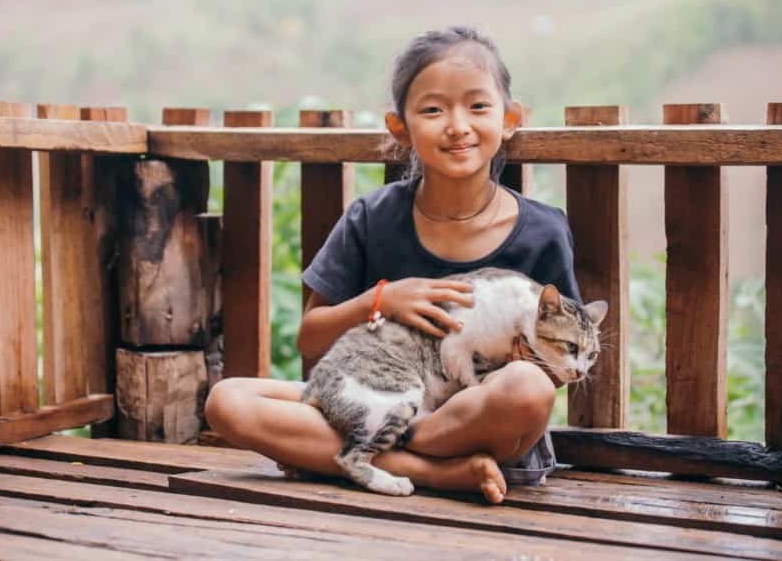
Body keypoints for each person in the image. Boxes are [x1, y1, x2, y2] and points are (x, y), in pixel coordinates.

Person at [205, 26, 580, 504]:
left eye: (477, 106)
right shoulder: (371, 218)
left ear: (510, 118)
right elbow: (312, 336)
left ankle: (378, 454)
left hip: (477, 425)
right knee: (227, 401)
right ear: (399, 127)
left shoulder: (542, 231)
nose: (458, 125)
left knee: (527, 389)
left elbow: (556, 366)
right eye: (433, 109)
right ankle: (433, 473)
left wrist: (512, 358)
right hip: (378, 396)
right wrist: (380, 300)